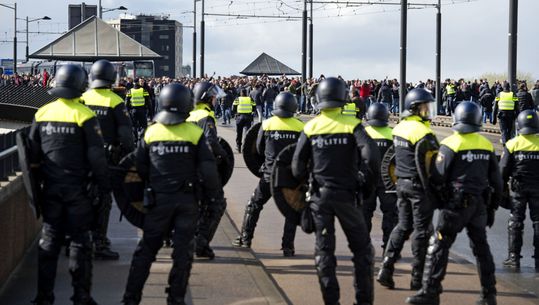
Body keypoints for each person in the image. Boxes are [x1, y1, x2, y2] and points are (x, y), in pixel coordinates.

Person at [122, 83, 225, 305]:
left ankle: (130, 299)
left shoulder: (151, 132)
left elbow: (138, 169)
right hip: (187, 202)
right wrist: (214, 199)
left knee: (145, 251)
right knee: (182, 254)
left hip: (158, 201)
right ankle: (175, 299)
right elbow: (208, 172)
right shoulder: (195, 134)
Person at [292, 77, 380, 305]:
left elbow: (295, 167)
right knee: (362, 250)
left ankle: (331, 301)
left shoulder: (310, 127)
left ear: (318, 98)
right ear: (342, 97)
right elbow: (371, 157)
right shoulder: (353, 126)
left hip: (320, 198)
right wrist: (365, 185)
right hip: (347, 197)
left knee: (324, 252)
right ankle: (363, 301)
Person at [406, 101, 502, 305]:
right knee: (481, 249)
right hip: (479, 205)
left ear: (457, 119)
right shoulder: (486, 145)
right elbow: (497, 181)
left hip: (456, 205)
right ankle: (489, 294)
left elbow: (438, 177)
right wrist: (492, 207)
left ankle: (430, 292)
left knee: (439, 245)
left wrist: (438, 199)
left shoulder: (450, 144)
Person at [29, 64, 110, 305]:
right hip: (78, 190)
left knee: (49, 242)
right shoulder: (84, 116)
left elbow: (31, 156)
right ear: (79, 86)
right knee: (80, 243)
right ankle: (81, 296)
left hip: (50, 189)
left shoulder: (42, 113)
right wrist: (104, 186)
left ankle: (44, 297)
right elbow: (97, 157)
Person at [377, 88, 439, 291]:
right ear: (414, 108)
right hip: (419, 187)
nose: (428, 111)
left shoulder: (400, 128)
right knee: (421, 232)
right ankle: (417, 279)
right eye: (424, 107)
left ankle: (386, 268)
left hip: (401, 184)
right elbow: (433, 166)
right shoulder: (423, 133)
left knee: (402, 226)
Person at [232, 92, 304, 256]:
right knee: (291, 211)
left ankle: (245, 238)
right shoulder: (301, 127)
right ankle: (288, 247)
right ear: (293, 107)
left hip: (269, 174)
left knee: (254, 204)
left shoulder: (267, 124)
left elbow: (257, 148)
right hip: (290, 176)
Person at [82, 59, 135, 260]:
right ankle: (100, 242)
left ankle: (78, 240)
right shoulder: (115, 102)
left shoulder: (82, 98)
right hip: (106, 160)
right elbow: (127, 137)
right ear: (112, 79)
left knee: (82, 198)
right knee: (103, 200)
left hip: (81, 159)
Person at [187, 81, 228, 259]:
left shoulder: (189, 115)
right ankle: (201, 243)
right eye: (213, 97)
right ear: (206, 98)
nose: (215, 100)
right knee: (216, 204)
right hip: (202, 169)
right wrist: (224, 156)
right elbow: (211, 142)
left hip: (186, 167)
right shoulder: (205, 117)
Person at [499, 110, 539, 270]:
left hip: (518, 189)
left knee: (515, 222)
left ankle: (513, 257)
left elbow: (502, 171)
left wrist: (500, 191)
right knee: (538, 222)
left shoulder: (512, 144)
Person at [363, 102, 398, 252]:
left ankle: (364, 247)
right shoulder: (393, 134)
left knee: (364, 215)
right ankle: (388, 248)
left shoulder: (363, 134)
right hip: (389, 182)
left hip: (367, 180)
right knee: (390, 216)